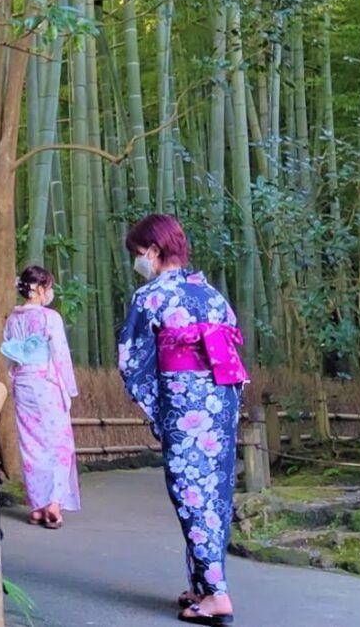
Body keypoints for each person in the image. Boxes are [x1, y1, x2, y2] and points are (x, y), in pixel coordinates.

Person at [117, 214, 248, 626]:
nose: (138, 262)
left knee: (189, 492)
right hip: (221, 404)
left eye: (138, 254)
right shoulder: (210, 294)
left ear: (153, 251)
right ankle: (203, 586)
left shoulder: (150, 297)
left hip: (184, 404)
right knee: (214, 495)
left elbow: (131, 361)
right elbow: (232, 353)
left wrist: (160, 410)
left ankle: (217, 597)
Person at [1, 265, 81, 529]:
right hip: (47, 382)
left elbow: (9, 357)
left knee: (31, 444)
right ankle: (53, 505)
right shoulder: (49, 318)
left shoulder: (12, 319)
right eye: (48, 287)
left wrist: (15, 377)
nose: (51, 292)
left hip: (23, 382)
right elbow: (60, 355)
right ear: (38, 289)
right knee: (58, 443)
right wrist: (68, 388)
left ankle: (37, 506)